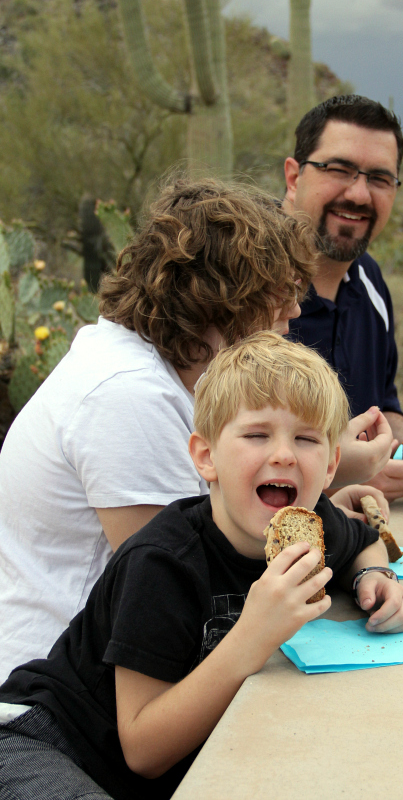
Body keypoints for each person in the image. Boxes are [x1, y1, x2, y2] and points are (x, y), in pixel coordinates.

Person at [0, 333, 403, 800]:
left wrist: (376, 577)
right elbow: (142, 749)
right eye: (257, 435)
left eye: (305, 438)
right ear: (206, 456)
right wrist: (253, 637)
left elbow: (362, 542)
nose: (283, 454)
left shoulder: (311, 529)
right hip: (48, 745)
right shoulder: (162, 563)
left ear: (332, 465)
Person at [0, 178, 317, 682]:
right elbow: (187, 584)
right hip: (54, 703)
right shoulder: (128, 397)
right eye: (281, 290)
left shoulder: (147, 370)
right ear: (225, 294)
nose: (295, 309)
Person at [283, 95, 403, 501]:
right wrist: (339, 478)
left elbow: (381, 412)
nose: (359, 194)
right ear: (293, 177)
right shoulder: (242, 282)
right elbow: (211, 452)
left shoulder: (368, 279)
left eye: (379, 178)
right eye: (339, 169)